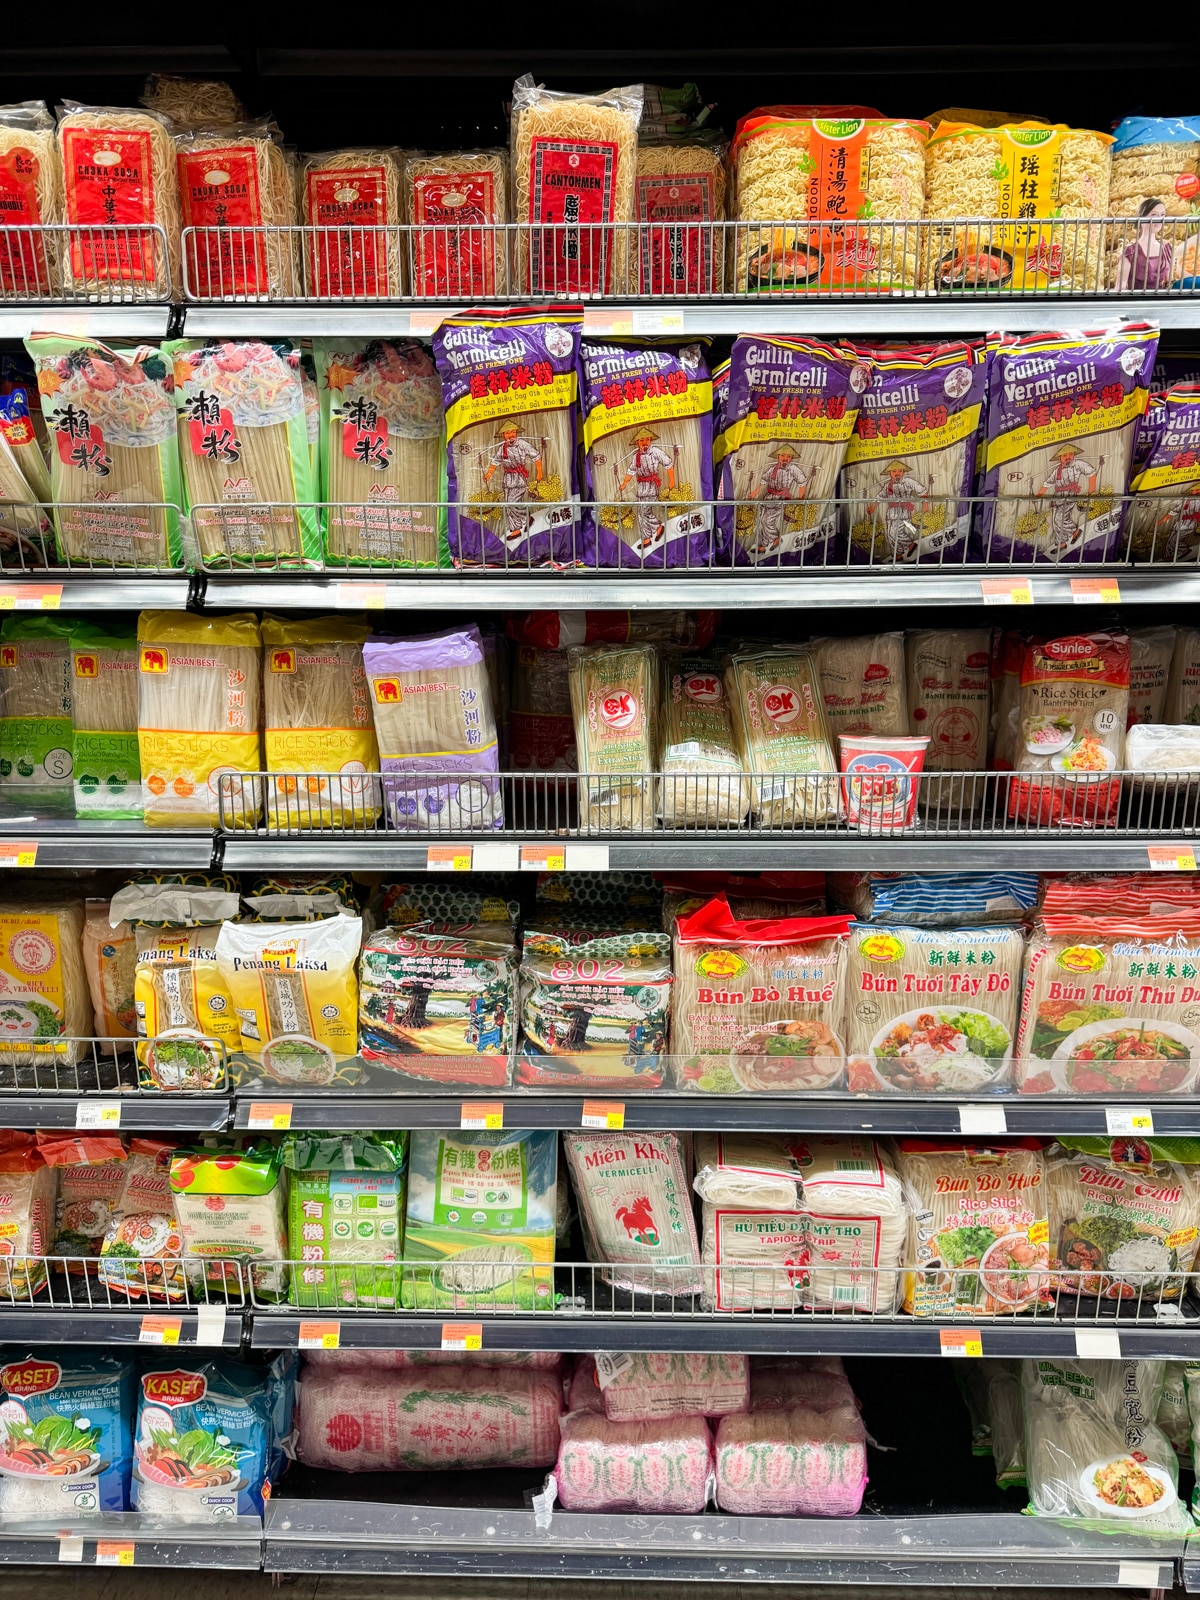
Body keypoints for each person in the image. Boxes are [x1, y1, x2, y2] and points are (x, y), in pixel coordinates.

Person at [617, 426, 676, 553]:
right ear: (637, 442)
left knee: (643, 512)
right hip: (641, 488)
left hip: (651, 486)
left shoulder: (655, 452)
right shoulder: (636, 456)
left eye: (647, 440)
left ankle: (654, 531)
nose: (645, 443)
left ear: (650, 441)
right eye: (641, 440)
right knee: (642, 513)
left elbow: (668, 464)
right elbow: (631, 471)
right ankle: (650, 536)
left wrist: (672, 480)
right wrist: (624, 484)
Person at [483, 420, 541, 544]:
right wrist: (488, 475)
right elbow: (495, 462)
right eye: (507, 433)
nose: (511, 435)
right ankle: (516, 529)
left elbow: (536, 456)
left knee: (511, 502)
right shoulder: (502, 448)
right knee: (508, 504)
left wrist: (539, 472)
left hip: (519, 477)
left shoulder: (522, 444)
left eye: (513, 432)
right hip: (507, 479)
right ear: (503, 435)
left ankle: (526, 517)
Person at [749, 442, 810, 556]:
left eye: (789, 456)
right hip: (768, 497)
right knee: (761, 520)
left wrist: (801, 498)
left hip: (781, 498)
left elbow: (802, 482)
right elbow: (763, 481)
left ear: (791, 458)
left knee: (767, 520)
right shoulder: (772, 469)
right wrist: (754, 493)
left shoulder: (793, 469)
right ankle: (762, 546)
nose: (785, 458)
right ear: (778, 457)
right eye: (783, 455)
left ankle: (776, 538)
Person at [1036, 443, 1099, 556]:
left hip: (1069, 495)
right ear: (1060, 458)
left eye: (1071, 454)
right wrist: (1038, 496)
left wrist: (1091, 489)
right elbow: (1047, 483)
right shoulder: (1057, 470)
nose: (1068, 457)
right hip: (1057, 497)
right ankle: (1062, 543)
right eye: (1065, 455)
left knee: (1059, 520)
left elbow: (1091, 472)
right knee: (1055, 522)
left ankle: (1075, 531)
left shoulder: (1078, 464)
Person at [867, 458, 931, 562]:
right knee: (890, 535)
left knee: (895, 533)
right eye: (894, 471)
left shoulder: (908, 481)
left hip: (903, 511)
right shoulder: (888, 485)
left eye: (900, 471)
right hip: (891, 513)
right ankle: (898, 555)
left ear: (903, 472)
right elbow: (880, 497)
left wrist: (925, 506)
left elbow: (922, 491)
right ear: (890, 473)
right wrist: (872, 507)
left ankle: (910, 544)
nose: (897, 473)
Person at [1116, 197, 1174, 292]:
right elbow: (1120, 287)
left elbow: (1170, 283)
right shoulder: (1129, 252)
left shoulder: (1167, 249)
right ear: (1142, 217)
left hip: (1161, 299)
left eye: (1162, 215)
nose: (1159, 219)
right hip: (1137, 300)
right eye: (1154, 214)